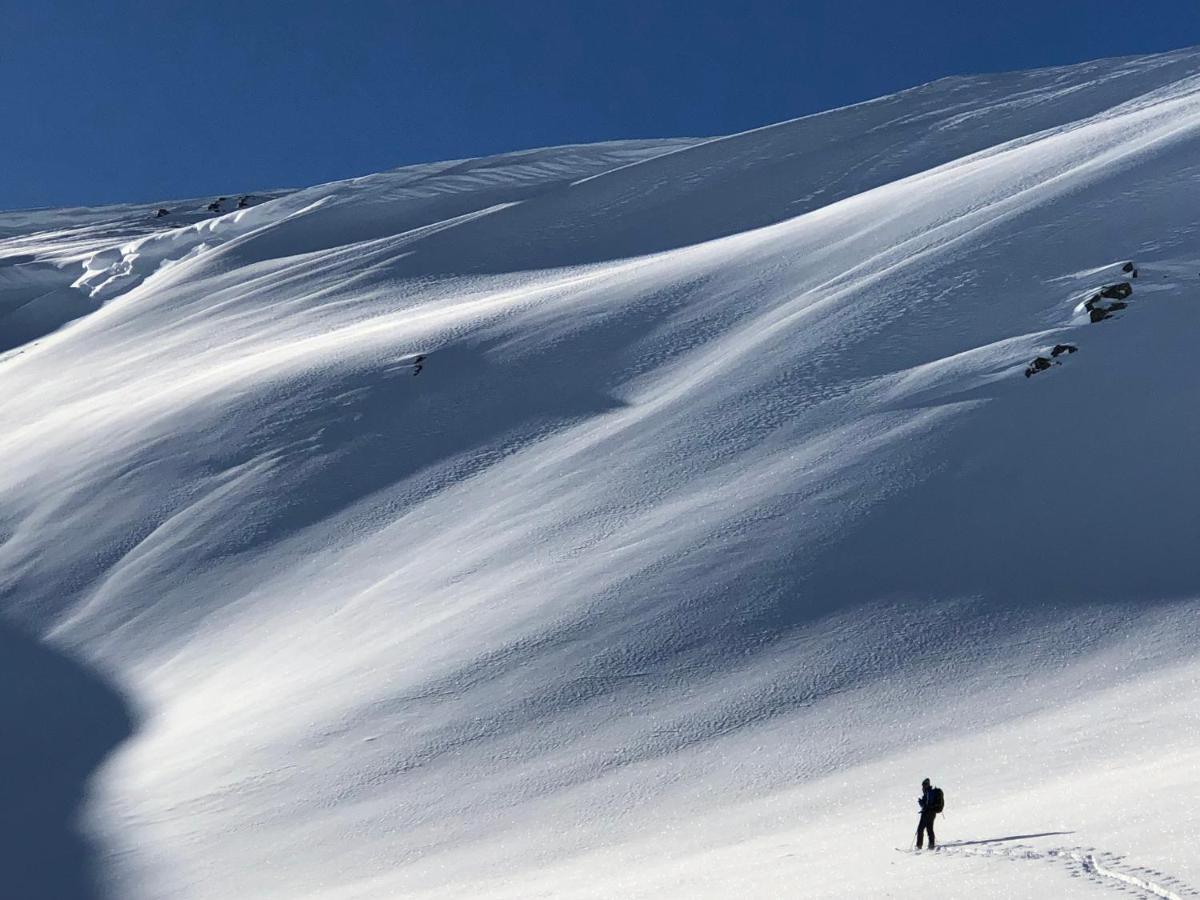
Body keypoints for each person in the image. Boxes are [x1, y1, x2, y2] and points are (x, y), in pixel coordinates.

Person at [916, 777, 938, 849]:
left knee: (920, 829)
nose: (923, 787)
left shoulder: (928, 793)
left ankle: (919, 846)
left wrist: (921, 802)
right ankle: (931, 844)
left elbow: (927, 805)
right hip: (932, 813)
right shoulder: (930, 792)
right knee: (929, 829)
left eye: (924, 785)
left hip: (927, 813)